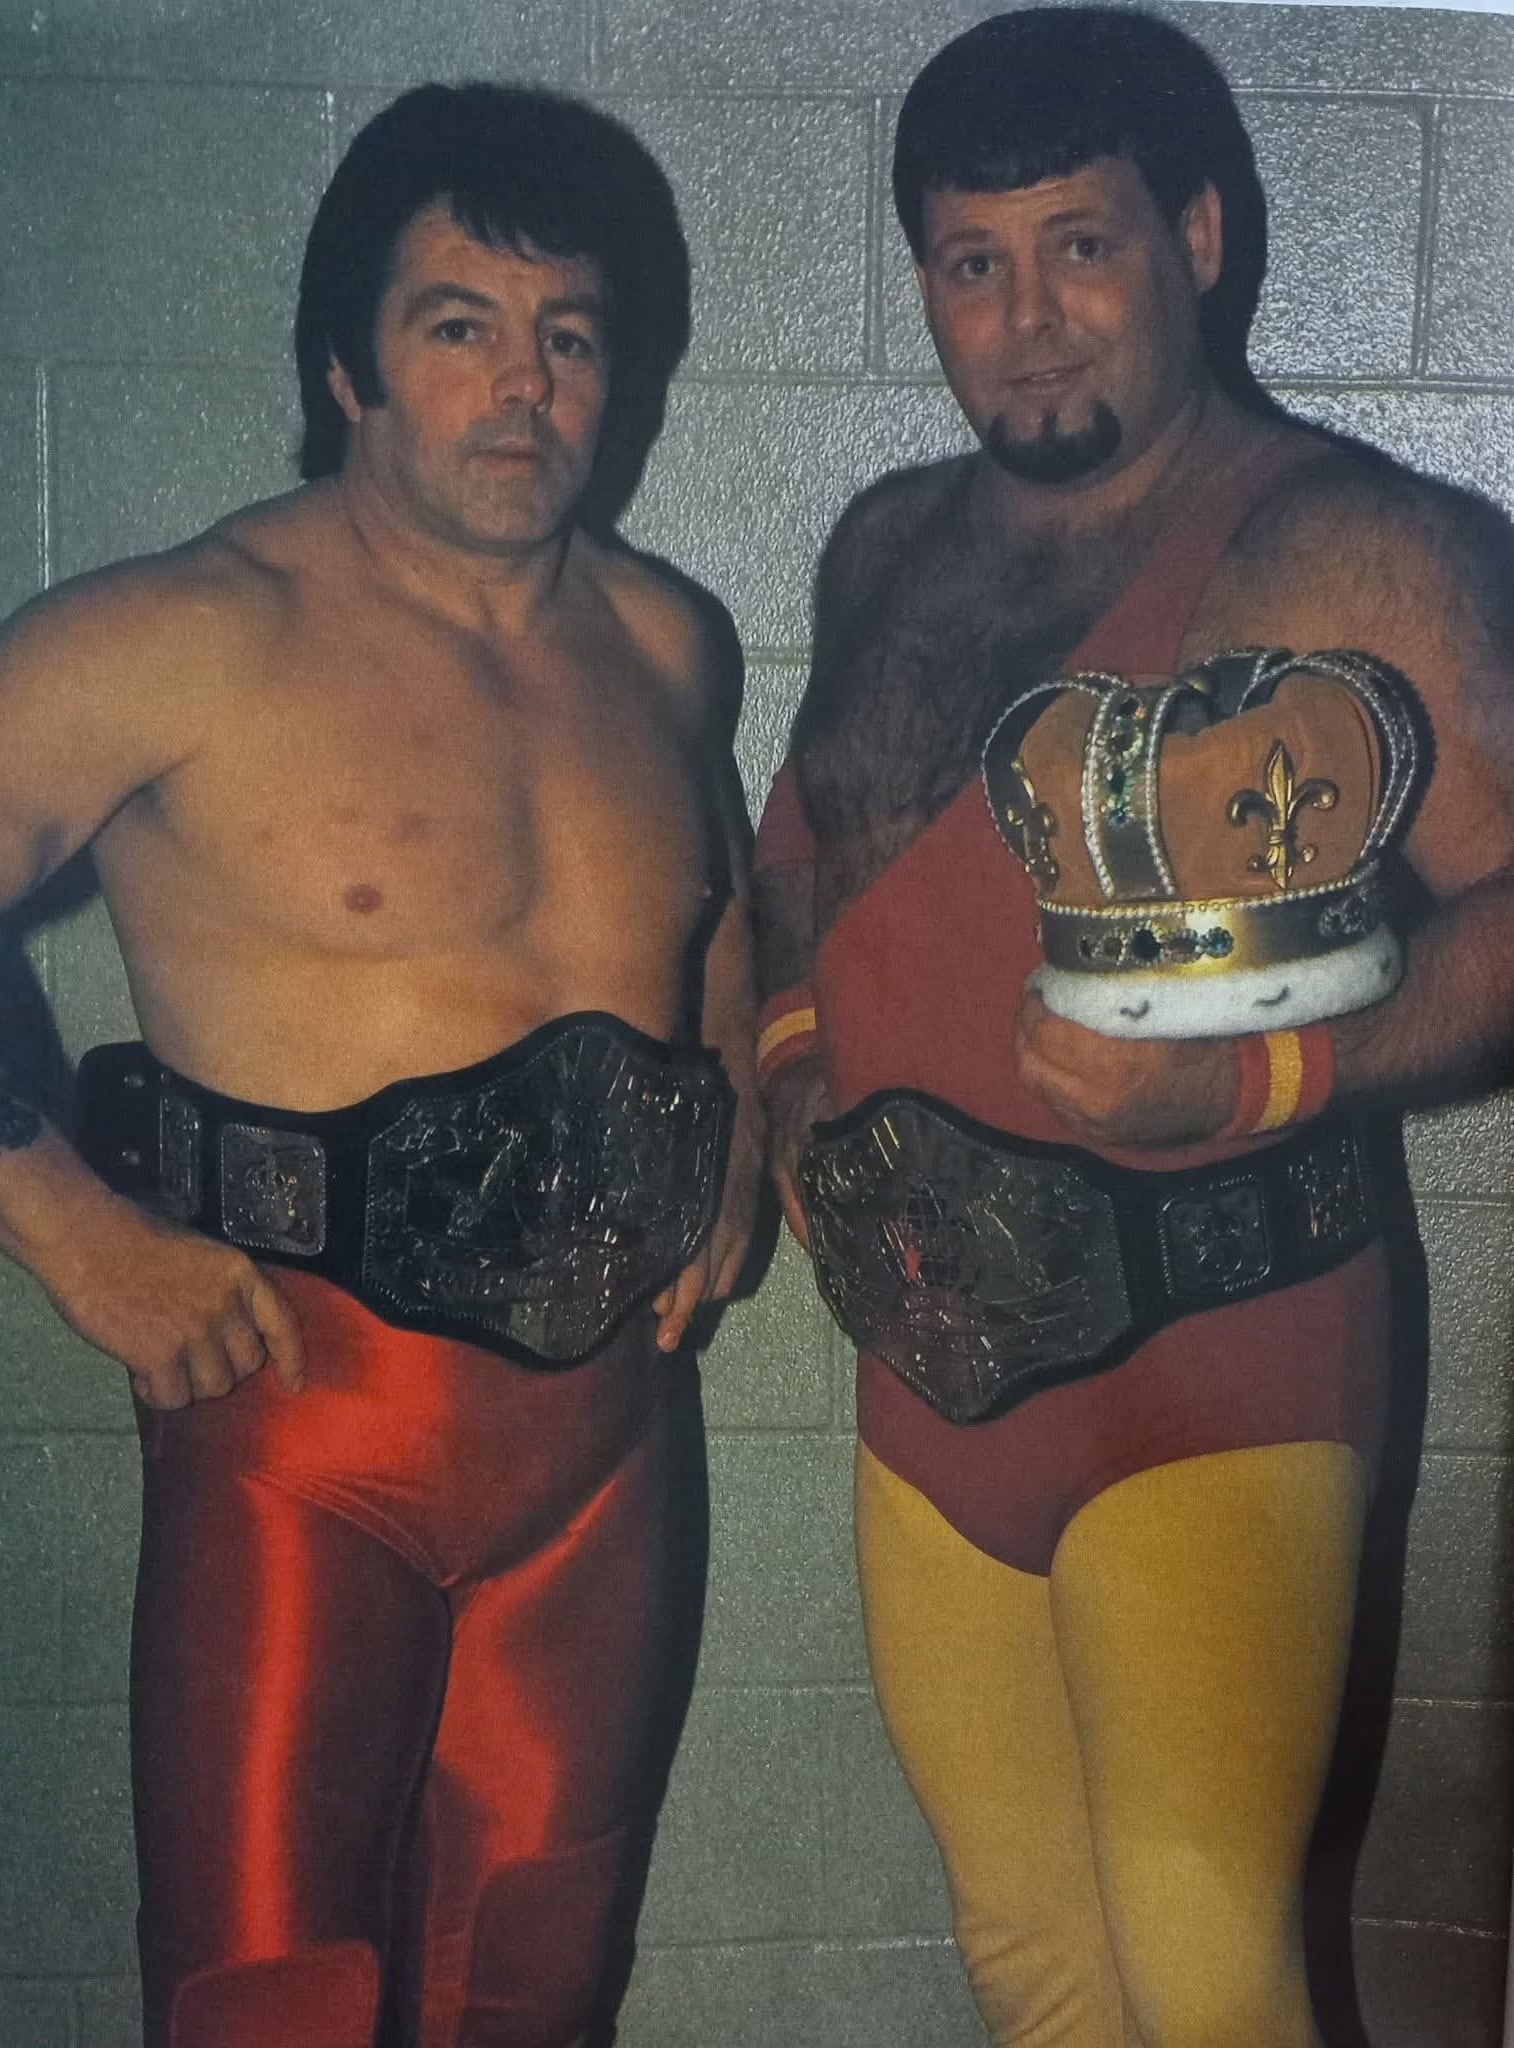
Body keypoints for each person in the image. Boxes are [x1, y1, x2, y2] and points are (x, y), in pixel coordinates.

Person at [753, 11, 1514, 2046]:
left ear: (1196, 237)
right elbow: (804, 843)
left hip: (1217, 1358)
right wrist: (792, 1057)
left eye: (1079, 247)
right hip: (930, 1375)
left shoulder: (1352, 545)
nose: (1026, 322)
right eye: (971, 262)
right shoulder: (886, 543)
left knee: (1203, 1977)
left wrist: (1263, 1074)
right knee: (1034, 1964)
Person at [0, 83, 758, 2048]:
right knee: (273, 2006)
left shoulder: (668, 643)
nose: (524, 385)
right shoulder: (176, 636)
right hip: (297, 1432)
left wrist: (739, 1132)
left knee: (536, 1994)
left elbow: (717, 913)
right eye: (458, 326)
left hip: (606, 1451)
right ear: (346, 365)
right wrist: (63, 1224)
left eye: (568, 335)